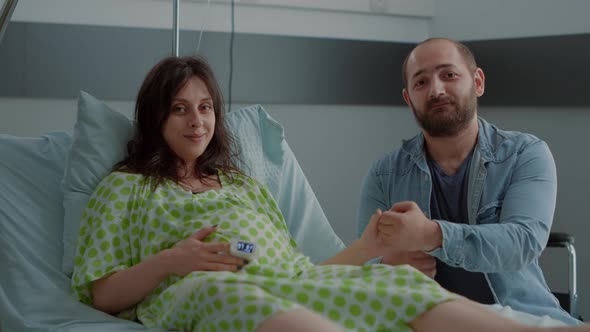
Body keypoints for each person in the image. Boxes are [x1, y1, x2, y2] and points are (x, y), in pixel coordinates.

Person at [71, 55, 588, 332]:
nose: (196, 120)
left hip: (287, 283)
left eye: (205, 107)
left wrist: (368, 251)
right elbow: (101, 293)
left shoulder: (241, 184)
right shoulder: (126, 187)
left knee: (391, 289)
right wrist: (172, 261)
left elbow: (307, 274)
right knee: (230, 294)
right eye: (180, 108)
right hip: (197, 291)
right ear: (154, 115)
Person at [357, 37, 581, 325]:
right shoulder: (383, 174)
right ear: (409, 100)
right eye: (420, 82)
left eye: (449, 75)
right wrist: (388, 266)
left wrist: (431, 234)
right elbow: (363, 266)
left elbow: (523, 242)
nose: (436, 89)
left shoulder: (526, 153)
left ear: (478, 82)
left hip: (523, 317)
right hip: (426, 321)